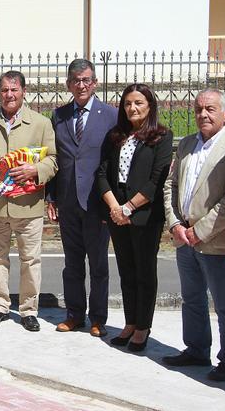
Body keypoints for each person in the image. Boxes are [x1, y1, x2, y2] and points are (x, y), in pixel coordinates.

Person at [161, 89, 225, 381]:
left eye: (210, 109)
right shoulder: (187, 145)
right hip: (185, 237)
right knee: (192, 298)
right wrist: (175, 225)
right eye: (198, 109)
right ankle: (196, 349)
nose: (203, 115)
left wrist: (200, 231)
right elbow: (171, 186)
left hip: (215, 240)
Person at [0, 70, 57, 332]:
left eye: (14, 90)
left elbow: (53, 160)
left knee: (30, 260)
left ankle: (28, 310)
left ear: (24, 91)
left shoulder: (41, 123)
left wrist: (36, 170)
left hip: (29, 205)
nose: (9, 95)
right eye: (4, 90)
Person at [95, 83, 172, 352]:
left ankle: (142, 327)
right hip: (117, 215)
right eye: (128, 103)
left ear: (150, 105)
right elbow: (102, 173)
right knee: (126, 271)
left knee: (144, 272)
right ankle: (129, 322)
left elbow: (156, 181)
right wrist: (115, 207)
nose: (132, 108)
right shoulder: (115, 136)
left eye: (138, 102)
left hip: (144, 216)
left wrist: (129, 207)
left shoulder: (162, 137)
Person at [47, 59, 117, 337]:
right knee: (72, 263)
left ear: (95, 82)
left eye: (86, 80)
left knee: (98, 264)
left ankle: (98, 317)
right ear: (68, 84)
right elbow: (55, 159)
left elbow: (114, 161)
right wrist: (51, 197)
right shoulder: (59, 116)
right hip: (67, 202)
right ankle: (74, 314)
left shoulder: (110, 115)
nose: (81, 85)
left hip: (97, 203)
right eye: (76, 80)